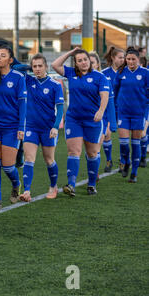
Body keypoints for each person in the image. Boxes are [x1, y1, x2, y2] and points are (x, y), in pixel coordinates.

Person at [51, 47, 109, 196]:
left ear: (90, 61)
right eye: (79, 60)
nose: (83, 62)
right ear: (76, 63)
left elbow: (104, 96)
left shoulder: (99, 77)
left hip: (92, 121)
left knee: (92, 153)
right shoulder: (71, 73)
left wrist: (101, 111)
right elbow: (55, 65)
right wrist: (71, 52)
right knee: (74, 151)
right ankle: (71, 184)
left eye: (85, 60)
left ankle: (91, 184)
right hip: (74, 119)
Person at [19, 53, 64, 202]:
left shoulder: (55, 85)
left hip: (48, 129)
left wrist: (56, 127)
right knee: (29, 159)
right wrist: (27, 67)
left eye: (40, 66)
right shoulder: (28, 80)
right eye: (34, 66)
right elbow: (14, 67)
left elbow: (60, 108)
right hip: (31, 127)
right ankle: (26, 191)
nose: (37, 69)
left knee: (49, 159)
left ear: (46, 66)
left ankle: (53, 186)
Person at [0, 45, 26, 212]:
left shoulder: (18, 77)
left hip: (11, 128)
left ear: (10, 60)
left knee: (8, 166)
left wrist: (21, 127)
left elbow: (23, 104)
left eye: (2, 55)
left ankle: (16, 184)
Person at [114, 47, 148, 182]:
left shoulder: (146, 73)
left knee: (135, 143)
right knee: (123, 143)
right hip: (123, 113)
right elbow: (115, 92)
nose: (131, 61)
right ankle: (126, 162)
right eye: (128, 59)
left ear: (139, 60)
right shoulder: (121, 72)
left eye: (133, 59)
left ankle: (133, 173)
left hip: (139, 114)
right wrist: (116, 108)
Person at [89, 51, 117, 179]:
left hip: (102, 118)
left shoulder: (104, 79)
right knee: (89, 150)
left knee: (97, 147)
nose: (89, 65)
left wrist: (112, 122)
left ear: (97, 64)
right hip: (85, 118)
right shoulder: (79, 79)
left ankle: (95, 174)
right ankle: (94, 170)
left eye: (92, 62)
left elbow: (110, 102)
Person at [102, 46, 125, 172]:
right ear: (113, 58)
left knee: (123, 136)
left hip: (122, 110)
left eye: (123, 58)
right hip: (108, 109)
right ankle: (109, 160)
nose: (122, 60)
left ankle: (122, 161)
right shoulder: (104, 74)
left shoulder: (126, 72)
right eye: (120, 57)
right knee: (107, 134)